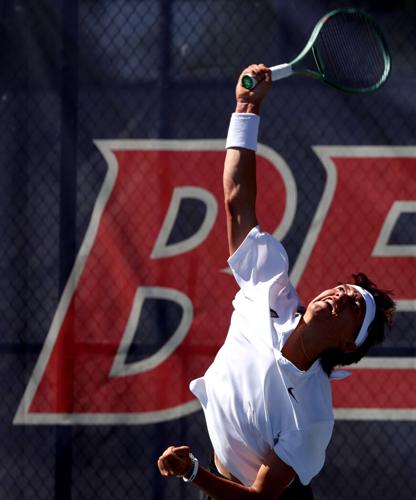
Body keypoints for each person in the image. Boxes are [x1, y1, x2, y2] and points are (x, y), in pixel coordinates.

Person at [156, 64, 395, 499]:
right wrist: (246, 108)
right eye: (344, 288)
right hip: (219, 480)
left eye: (355, 306)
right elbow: (236, 201)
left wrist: (193, 472)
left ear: (348, 344)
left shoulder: (314, 415)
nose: (343, 294)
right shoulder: (269, 290)